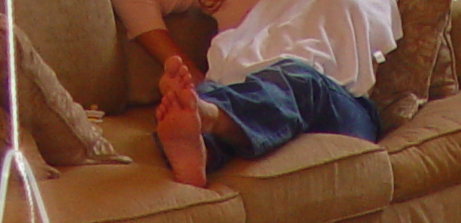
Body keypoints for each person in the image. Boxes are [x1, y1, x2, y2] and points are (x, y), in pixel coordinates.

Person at [114, 0, 396, 188]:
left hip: (336, 103)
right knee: (195, 106)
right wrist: (186, 71)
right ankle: (200, 146)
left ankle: (212, 119)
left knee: (298, 81)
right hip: (240, 87)